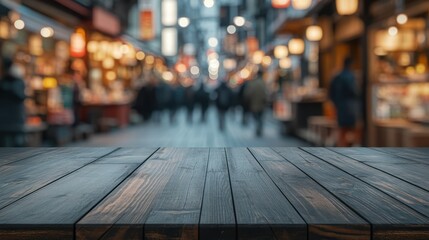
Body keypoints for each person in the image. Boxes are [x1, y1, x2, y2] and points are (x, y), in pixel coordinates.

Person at [329, 57, 360, 147]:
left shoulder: (337, 76)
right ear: (351, 64)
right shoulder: (350, 76)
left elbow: (331, 93)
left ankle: (341, 149)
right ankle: (350, 150)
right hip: (351, 107)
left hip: (341, 107)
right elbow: (355, 91)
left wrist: (336, 104)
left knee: (342, 130)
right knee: (353, 129)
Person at [0, 58, 26, 146]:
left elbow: (20, 96)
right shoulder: (4, 82)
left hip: (15, 120)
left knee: (17, 145)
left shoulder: (17, 82)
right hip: (6, 121)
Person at [244, 70, 267, 137]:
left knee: (256, 117)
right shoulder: (263, 83)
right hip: (261, 104)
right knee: (260, 117)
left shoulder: (252, 83)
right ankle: (259, 128)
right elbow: (266, 94)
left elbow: (248, 94)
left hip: (254, 103)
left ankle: (258, 128)